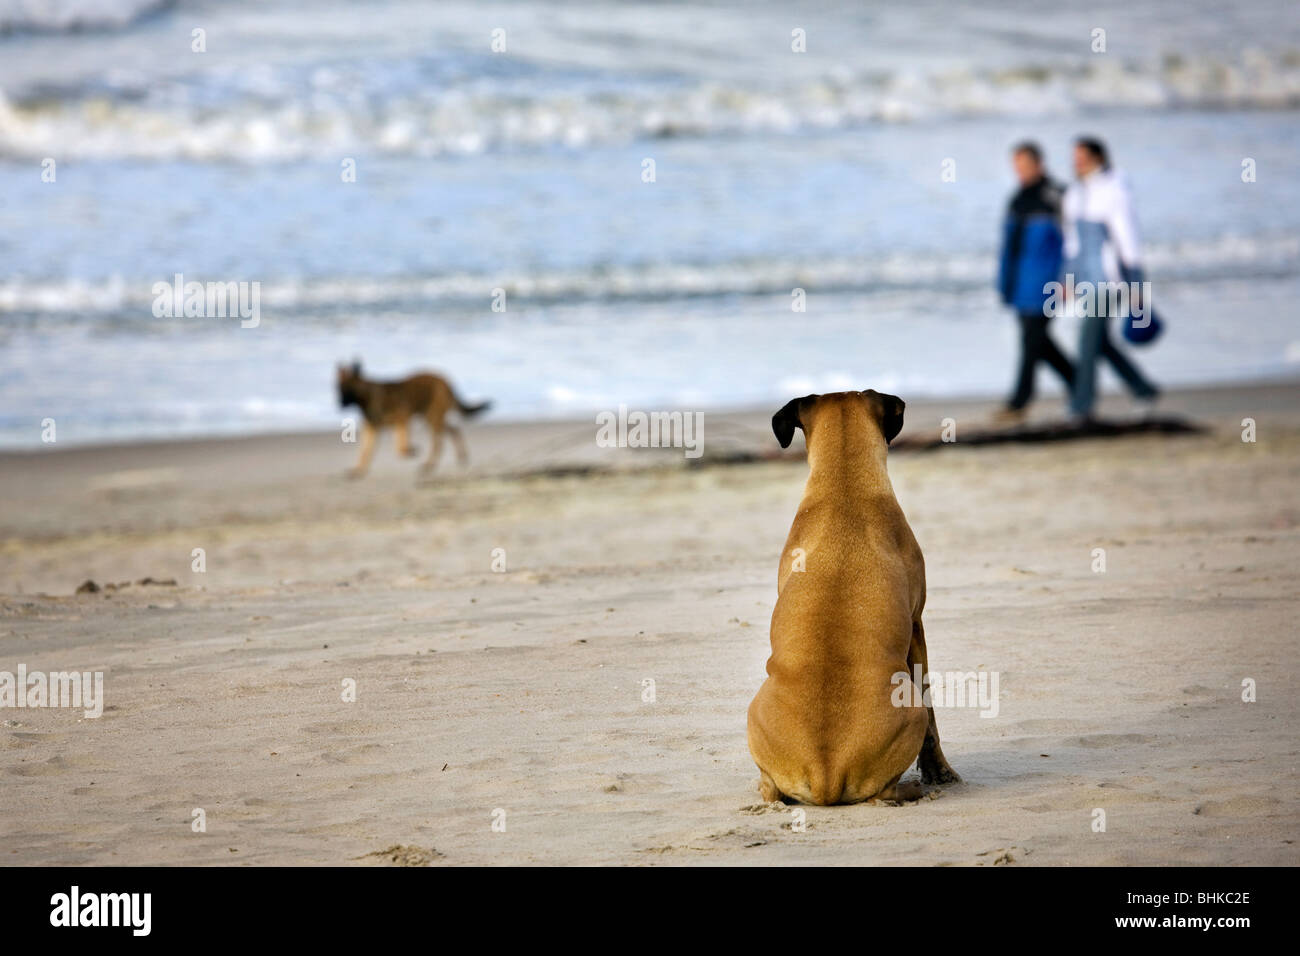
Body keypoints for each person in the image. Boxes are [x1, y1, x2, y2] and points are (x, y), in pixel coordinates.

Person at [1062, 136, 1159, 423]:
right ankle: (1143, 389)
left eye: (1081, 158)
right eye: (1074, 158)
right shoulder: (1074, 194)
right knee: (1100, 342)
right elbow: (1072, 244)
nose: (1076, 163)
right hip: (1087, 279)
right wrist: (1067, 279)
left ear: (1098, 158)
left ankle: (1081, 406)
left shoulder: (1115, 188)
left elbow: (1128, 237)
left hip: (1110, 278)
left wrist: (1136, 281)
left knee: (1086, 342)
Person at [994, 142, 1074, 425]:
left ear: (1040, 164)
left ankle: (1019, 401)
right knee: (1037, 341)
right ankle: (1078, 381)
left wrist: (1068, 279)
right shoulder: (1017, 199)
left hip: (1048, 283)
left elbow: (1074, 243)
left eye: (1025, 166)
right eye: (1017, 167)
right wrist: (1004, 283)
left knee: (1031, 341)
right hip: (1021, 284)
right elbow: (1009, 248)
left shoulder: (1058, 196)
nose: (1021, 172)